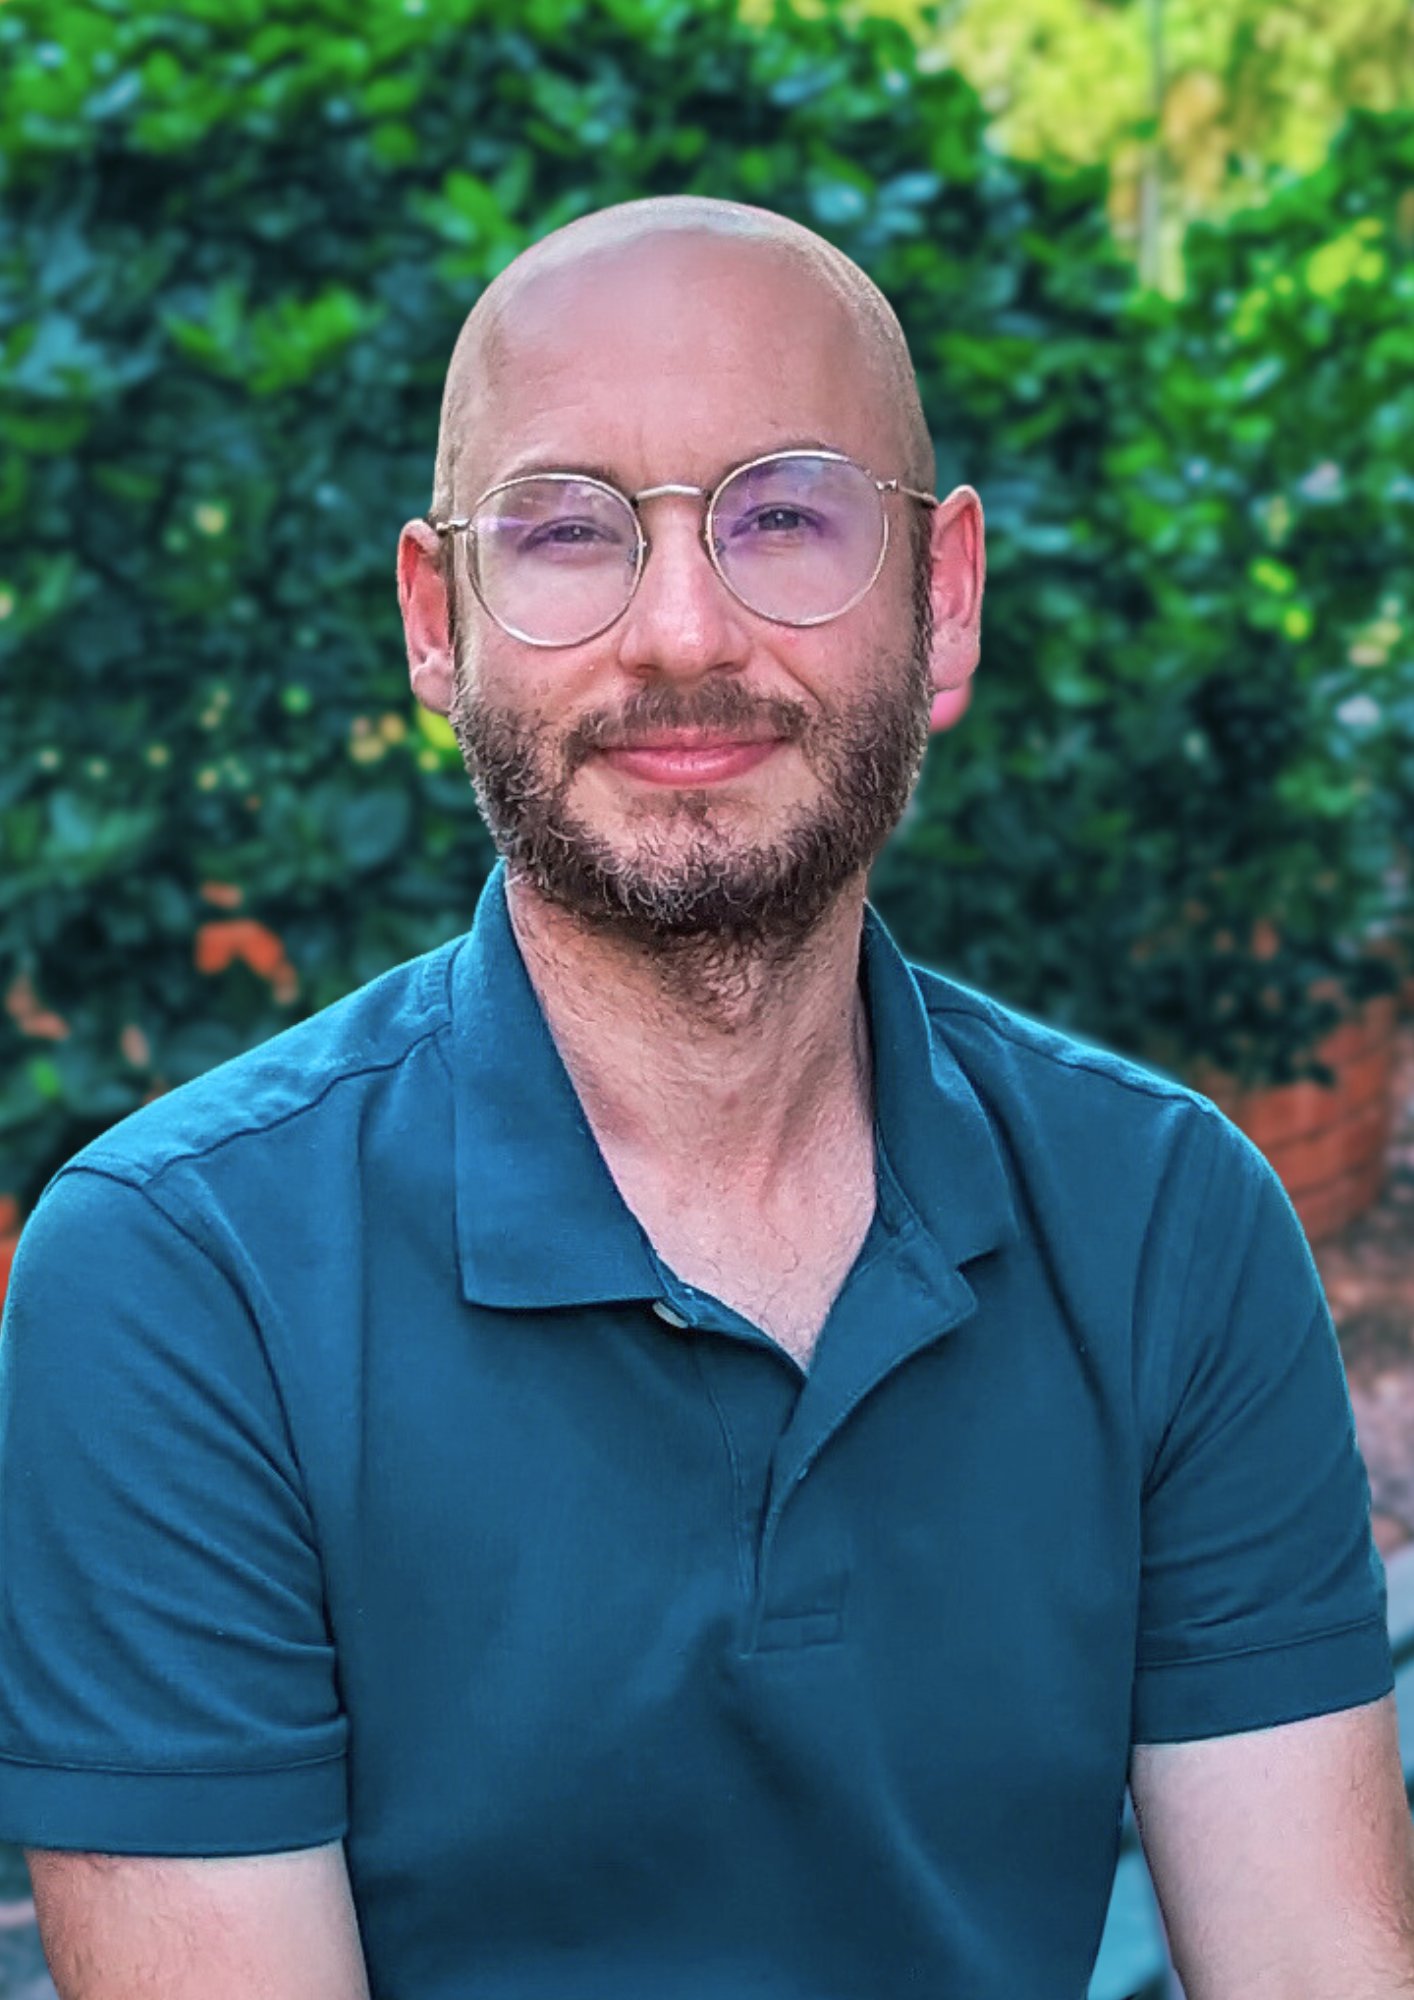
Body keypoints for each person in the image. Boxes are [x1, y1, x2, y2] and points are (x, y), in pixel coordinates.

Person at [1, 194, 1411, 2000]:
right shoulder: (183, 1274)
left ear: (944, 602)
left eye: (786, 516)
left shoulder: (1166, 1223)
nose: (682, 630)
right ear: (439, 624)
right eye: (569, 530)